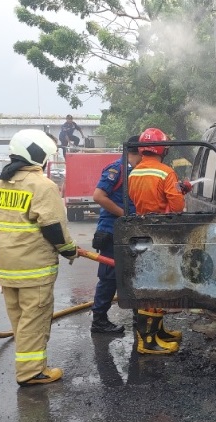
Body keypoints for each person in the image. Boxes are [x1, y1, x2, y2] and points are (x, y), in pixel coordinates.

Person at [0, 129, 79, 387]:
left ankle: (28, 366)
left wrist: (8, 241)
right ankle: (31, 373)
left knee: (19, 320)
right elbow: (53, 227)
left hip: (7, 268)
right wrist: (69, 250)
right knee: (34, 321)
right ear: (39, 155)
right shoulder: (42, 185)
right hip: (33, 269)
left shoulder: (4, 182)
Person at [127, 128, 192, 354]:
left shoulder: (134, 172)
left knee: (151, 283)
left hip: (141, 230)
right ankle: (147, 342)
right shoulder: (166, 173)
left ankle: (157, 332)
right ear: (162, 149)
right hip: (161, 233)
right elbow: (177, 207)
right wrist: (181, 191)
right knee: (156, 287)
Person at [88, 136, 143, 334]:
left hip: (129, 232)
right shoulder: (117, 169)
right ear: (138, 152)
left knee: (135, 275)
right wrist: (125, 215)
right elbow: (98, 196)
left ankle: (140, 318)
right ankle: (99, 320)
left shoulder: (136, 171)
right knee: (110, 277)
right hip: (112, 231)